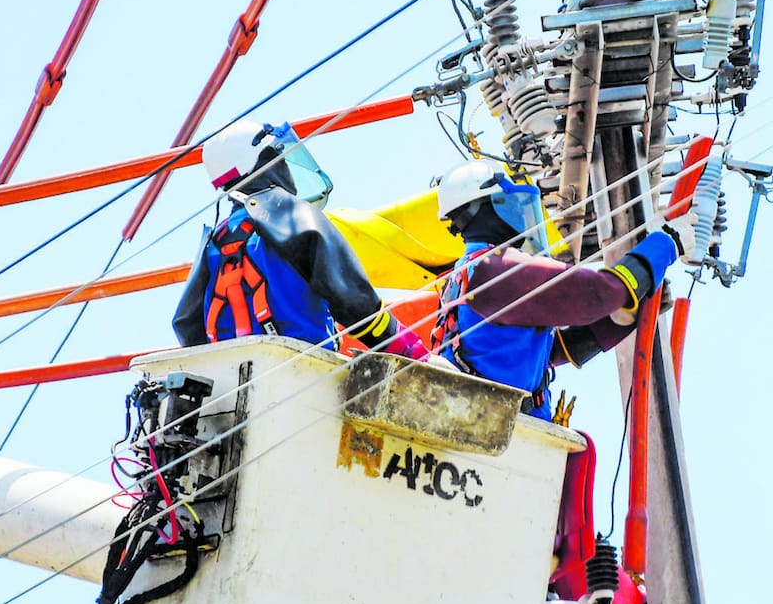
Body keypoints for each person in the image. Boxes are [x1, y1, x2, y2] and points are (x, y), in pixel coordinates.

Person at [431, 159, 697, 420]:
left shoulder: (470, 274)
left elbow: (548, 350)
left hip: (491, 422)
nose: (519, 211)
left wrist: (623, 317)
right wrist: (666, 244)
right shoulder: (497, 268)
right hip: (500, 426)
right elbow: (599, 293)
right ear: (481, 207)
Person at [172, 119, 428, 360]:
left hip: (232, 382)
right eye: (278, 156)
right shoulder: (296, 216)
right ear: (265, 161)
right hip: (305, 372)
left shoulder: (213, 242)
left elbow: (186, 324)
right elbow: (357, 305)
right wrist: (414, 352)